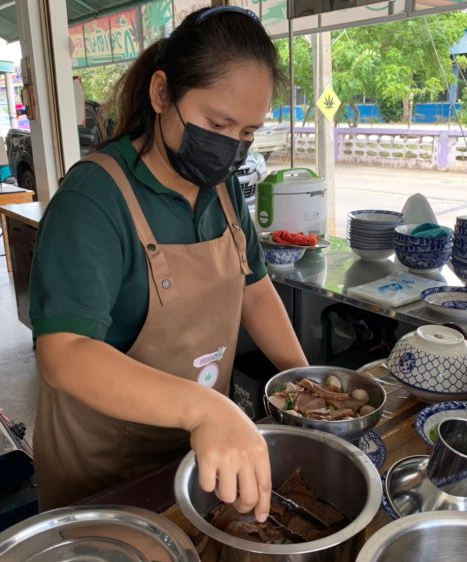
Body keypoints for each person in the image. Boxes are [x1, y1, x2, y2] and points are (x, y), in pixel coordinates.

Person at [29, 6, 308, 522]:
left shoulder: (223, 191)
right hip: (109, 476)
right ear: (163, 95)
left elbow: (254, 289)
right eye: (217, 123)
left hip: (201, 456)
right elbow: (64, 352)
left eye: (247, 133)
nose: (230, 147)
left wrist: (304, 381)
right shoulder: (93, 199)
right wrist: (207, 408)